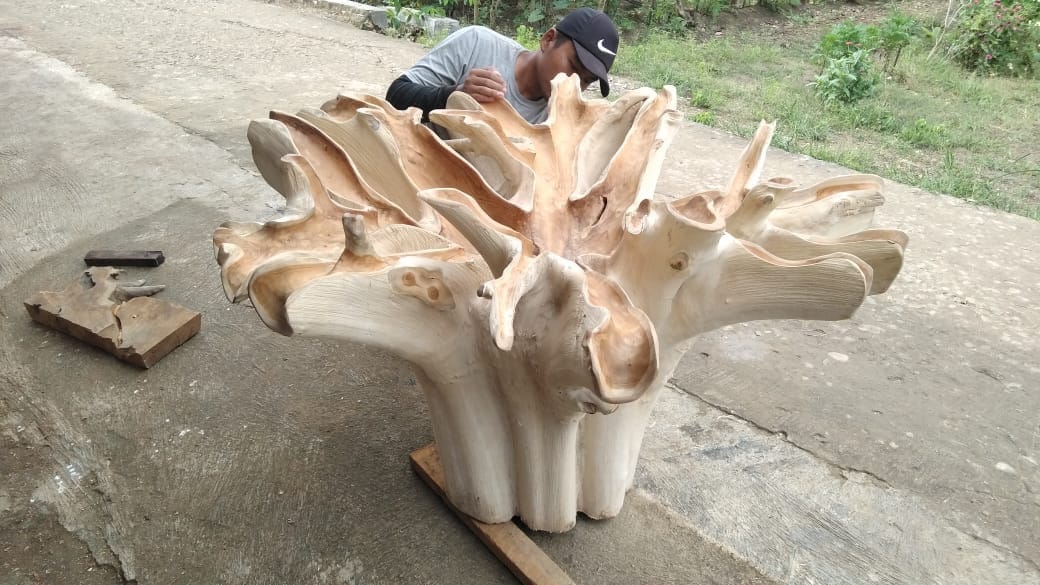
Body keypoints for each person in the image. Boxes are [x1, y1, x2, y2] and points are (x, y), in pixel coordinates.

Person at [385, 8, 619, 125]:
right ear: (548, 40)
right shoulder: (476, 43)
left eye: (587, 80)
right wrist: (452, 95)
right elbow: (395, 96)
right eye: (574, 66)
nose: (575, 82)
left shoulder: (558, 121)